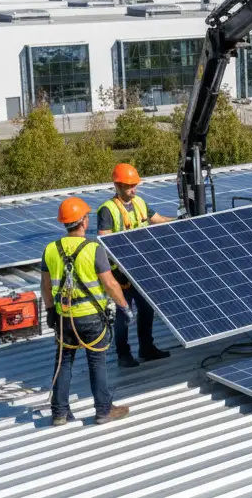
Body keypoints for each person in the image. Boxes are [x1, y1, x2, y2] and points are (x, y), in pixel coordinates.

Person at [41, 197, 132, 426]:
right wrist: (124, 307)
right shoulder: (94, 249)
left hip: (64, 318)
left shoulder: (50, 250)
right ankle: (103, 410)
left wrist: (50, 311)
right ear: (82, 221)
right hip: (92, 319)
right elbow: (110, 284)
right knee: (96, 363)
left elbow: (44, 285)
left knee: (64, 362)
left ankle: (59, 413)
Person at [97, 162, 173, 368]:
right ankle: (123, 354)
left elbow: (157, 219)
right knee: (124, 316)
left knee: (147, 310)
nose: (134, 189)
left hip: (142, 269)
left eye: (135, 185)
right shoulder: (107, 210)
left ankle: (147, 348)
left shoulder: (139, 202)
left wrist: (178, 221)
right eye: (130, 186)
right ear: (118, 186)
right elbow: (104, 241)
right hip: (120, 274)